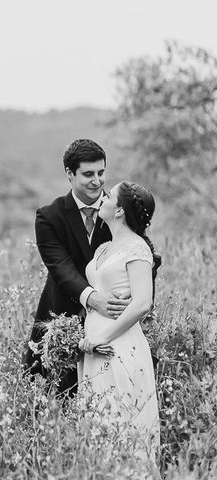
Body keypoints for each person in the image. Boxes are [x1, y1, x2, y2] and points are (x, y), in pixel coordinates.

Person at [23, 139, 129, 396]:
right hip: (61, 318)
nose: (97, 181)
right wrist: (93, 299)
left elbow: (143, 253)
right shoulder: (49, 216)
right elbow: (60, 267)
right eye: (88, 174)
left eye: (101, 173)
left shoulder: (119, 210)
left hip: (114, 321)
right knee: (53, 399)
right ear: (69, 174)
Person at [78, 181, 161, 465]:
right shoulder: (104, 248)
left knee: (122, 424)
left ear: (120, 210)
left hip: (118, 345)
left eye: (110, 195)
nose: (103, 197)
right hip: (94, 346)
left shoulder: (137, 248)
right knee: (98, 426)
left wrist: (104, 337)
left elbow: (142, 302)